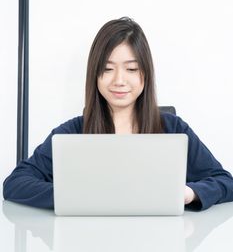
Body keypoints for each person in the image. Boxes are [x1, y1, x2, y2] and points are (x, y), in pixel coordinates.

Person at [3, 17, 233, 211]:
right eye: (107, 69)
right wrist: (73, 195)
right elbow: (15, 184)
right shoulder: (72, 132)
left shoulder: (172, 128)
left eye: (131, 69)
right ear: (95, 74)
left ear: (146, 74)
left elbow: (226, 182)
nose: (119, 80)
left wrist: (189, 193)